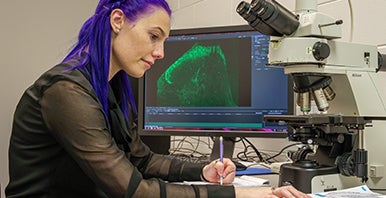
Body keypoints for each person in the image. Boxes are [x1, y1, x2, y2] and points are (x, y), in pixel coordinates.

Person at [5, 0, 310, 197]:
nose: (161, 53)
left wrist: (202, 170)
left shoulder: (111, 86)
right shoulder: (66, 91)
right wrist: (243, 195)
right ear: (117, 20)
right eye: (154, 36)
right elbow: (133, 191)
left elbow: (142, 159)